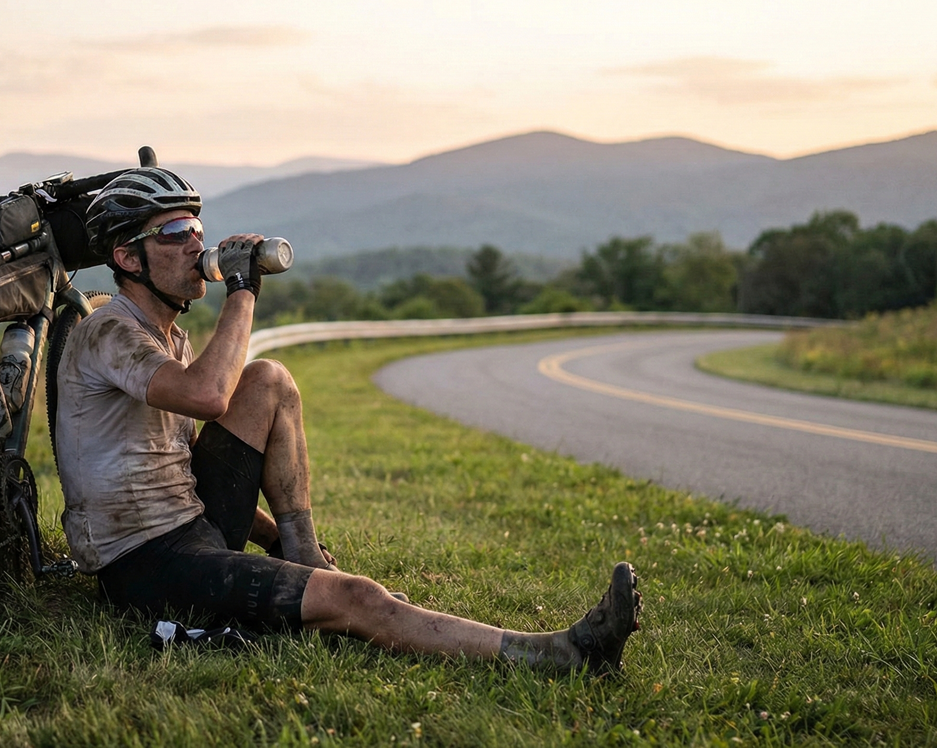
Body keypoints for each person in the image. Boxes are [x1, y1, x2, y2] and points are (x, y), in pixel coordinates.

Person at [55, 154, 642, 673]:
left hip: (192, 527)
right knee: (358, 600)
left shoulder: (169, 340)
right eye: (175, 233)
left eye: (196, 230)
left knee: (267, 380)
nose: (194, 245)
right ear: (126, 256)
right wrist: (242, 290)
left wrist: (276, 542)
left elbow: (182, 466)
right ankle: (564, 654)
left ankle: (303, 548)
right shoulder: (108, 331)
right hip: (145, 563)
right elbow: (209, 397)